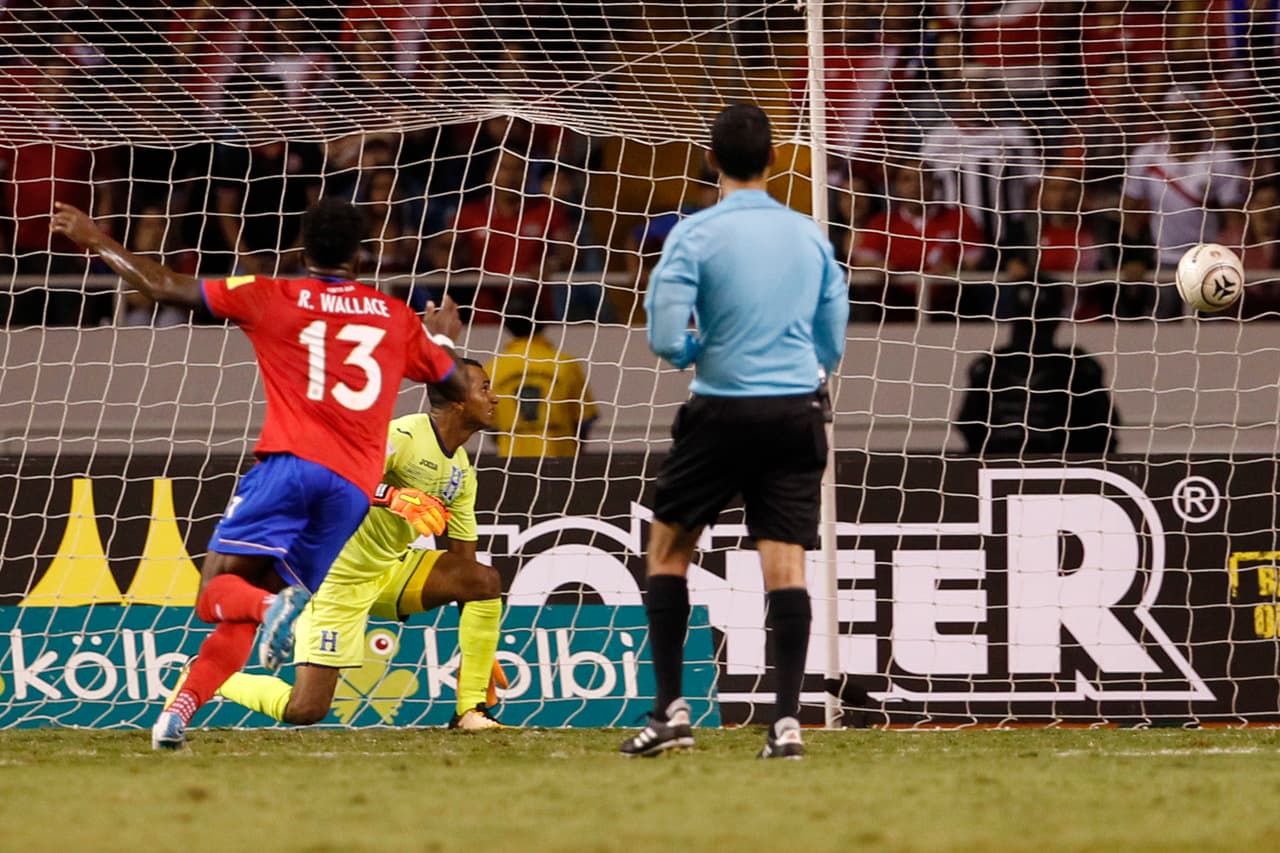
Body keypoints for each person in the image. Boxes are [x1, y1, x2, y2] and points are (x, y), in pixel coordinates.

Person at [49, 197, 469, 750]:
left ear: (302, 250)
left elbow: (162, 286)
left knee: (216, 594)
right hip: (350, 491)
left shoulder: (272, 294)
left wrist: (95, 238)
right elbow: (455, 386)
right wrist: (439, 339)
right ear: (360, 257)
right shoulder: (393, 316)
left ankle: (274, 608)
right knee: (242, 612)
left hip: (291, 467)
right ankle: (177, 714)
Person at [620, 104, 848, 760]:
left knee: (668, 551)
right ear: (774, 159)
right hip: (795, 411)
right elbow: (833, 334)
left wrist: (700, 350)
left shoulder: (694, 234)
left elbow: (666, 334)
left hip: (720, 410)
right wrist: (799, 365)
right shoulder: (808, 235)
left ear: (711, 160)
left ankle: (671, 712)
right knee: (786, 563)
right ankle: (787, 723)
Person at [217, 359, 507, 730]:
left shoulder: (461, 471)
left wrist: (478, 651)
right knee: (306, 709)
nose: (494, 398)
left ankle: (470, 710)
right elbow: (334, 476)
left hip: (390, 570)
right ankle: (209, 676)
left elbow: (464, 561)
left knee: (484, 580)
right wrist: (393, 496)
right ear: (457, 399)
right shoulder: (403, 436)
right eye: (484, 388)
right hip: (335, 580)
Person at [953, 283, 1118, 457]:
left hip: (1055, 465)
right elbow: (969, 427)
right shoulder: (989, 366)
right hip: (1006, 464)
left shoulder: (1077, 367)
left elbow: (1102, 429)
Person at [486, 303, 598, 458]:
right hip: (561, 461)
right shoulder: (565, 364)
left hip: (511, 463)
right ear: (543, 321)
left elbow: (491, 426)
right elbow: (584, 420)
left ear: (506, 325)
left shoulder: (492, 369)